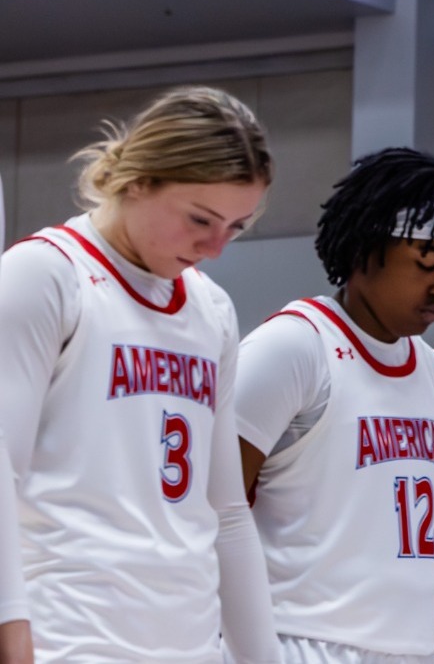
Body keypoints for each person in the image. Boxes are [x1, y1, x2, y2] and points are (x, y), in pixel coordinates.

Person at [0, 86, 281, 663]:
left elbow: (227, 513)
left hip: (190, 641)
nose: (216, 247)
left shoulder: (212, 310)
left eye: (237, 227)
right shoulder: (45, 275)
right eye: (200, 219)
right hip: (71, 638)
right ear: (138, 180)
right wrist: (13, 640)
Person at [236, 147, 434, 664]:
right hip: (300, 644)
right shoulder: (292, 348)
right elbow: (212, 512)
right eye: (427, 262)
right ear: (364, 247)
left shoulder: (429, 370)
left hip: (409, 648)